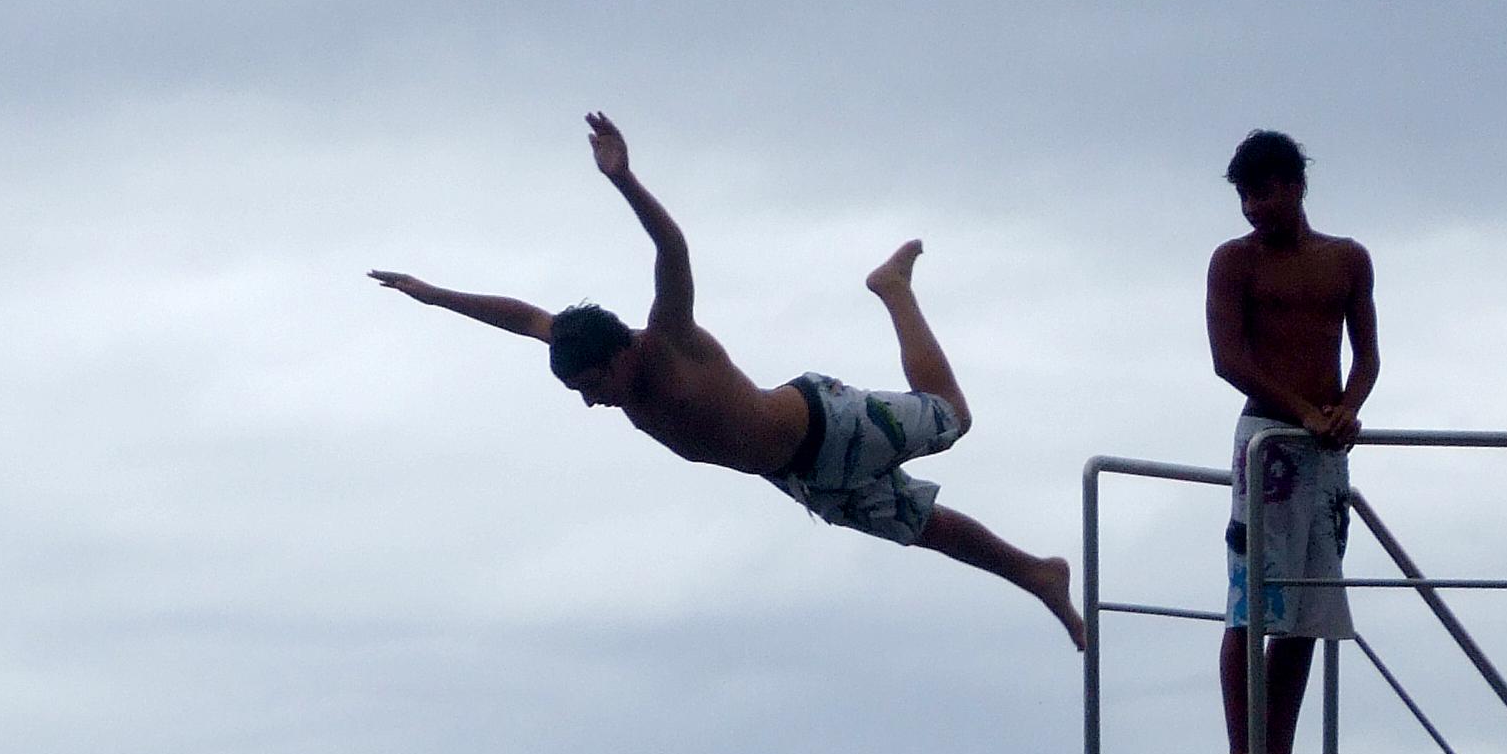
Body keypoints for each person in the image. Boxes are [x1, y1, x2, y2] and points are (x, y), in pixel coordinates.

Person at [372, 114, 1086, 652]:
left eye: (593, 386)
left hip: (823, 424)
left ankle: (891, 287)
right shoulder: (580, 347)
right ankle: (1036, 574)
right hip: (798, 475)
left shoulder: (667, 340)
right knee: (921, 527)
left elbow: (671, 247)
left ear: (619, 354)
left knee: (952, 419)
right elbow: (525, 315)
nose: (594, 402)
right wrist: (433, 296)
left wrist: (622, 178)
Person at [1205, 130, 1378, 754]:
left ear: (1295, 186)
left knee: (1307, 606)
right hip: (1267, 443)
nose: (1252, 207)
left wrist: (1344, 409)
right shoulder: (1234, 262)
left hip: (1324, 449)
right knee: (1251, 601)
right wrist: (1301, 410)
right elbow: (1229, 359)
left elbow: (1365, 354)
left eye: (1263, 192)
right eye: (1244, 196)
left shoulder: (1346, 259)